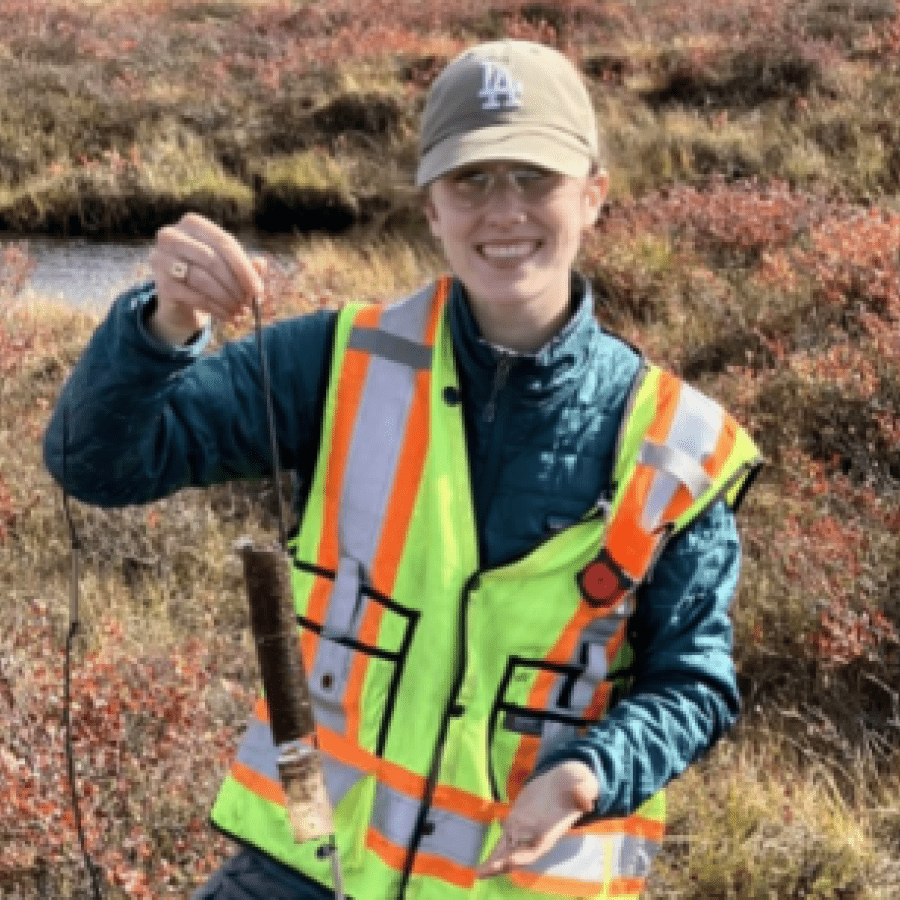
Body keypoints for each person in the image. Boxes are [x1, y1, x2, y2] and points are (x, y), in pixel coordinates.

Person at [45, 39, 762, 900]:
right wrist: (162, 325)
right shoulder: (336, 361)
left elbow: (693, 682)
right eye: (471, 180)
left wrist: (590, 773)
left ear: (593, 195)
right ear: (431, 207)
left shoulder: (681, 445)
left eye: (534, 177)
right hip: (300, 868)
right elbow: (99, 464)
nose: (504, 211)